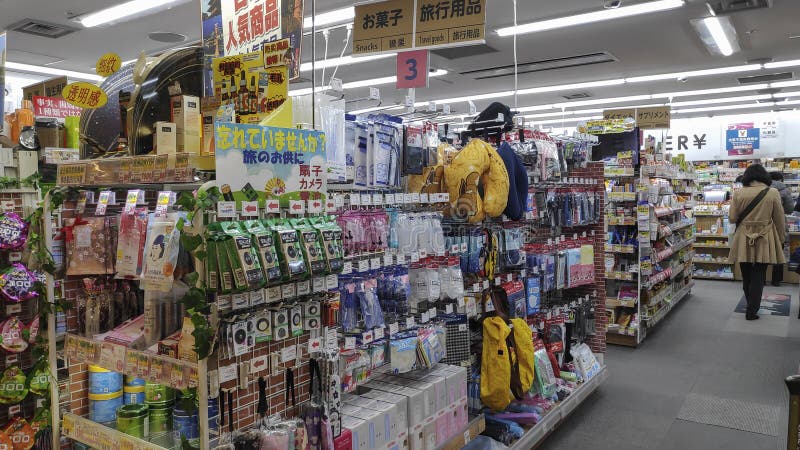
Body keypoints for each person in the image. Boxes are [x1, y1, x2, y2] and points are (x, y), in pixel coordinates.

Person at [729, 164, 786, 320]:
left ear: (747, 177)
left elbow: (732, 218)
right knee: (759, 273)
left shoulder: (738, 193)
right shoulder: (772, 192)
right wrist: (781, 238)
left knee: (746, 273)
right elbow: (779, 219)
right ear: (764, 176)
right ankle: (752, 310)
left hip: (743, 236)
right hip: (765, 236)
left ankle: (749, 304)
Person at [769, 172, 792, 285]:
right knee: (779, 251)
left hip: (764, 224)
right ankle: (776, 280)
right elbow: (789, 209)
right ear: (781, 180)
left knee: (762, 251)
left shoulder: (762, 189)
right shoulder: (785, 190)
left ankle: (761, 279)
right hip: (779, 224)